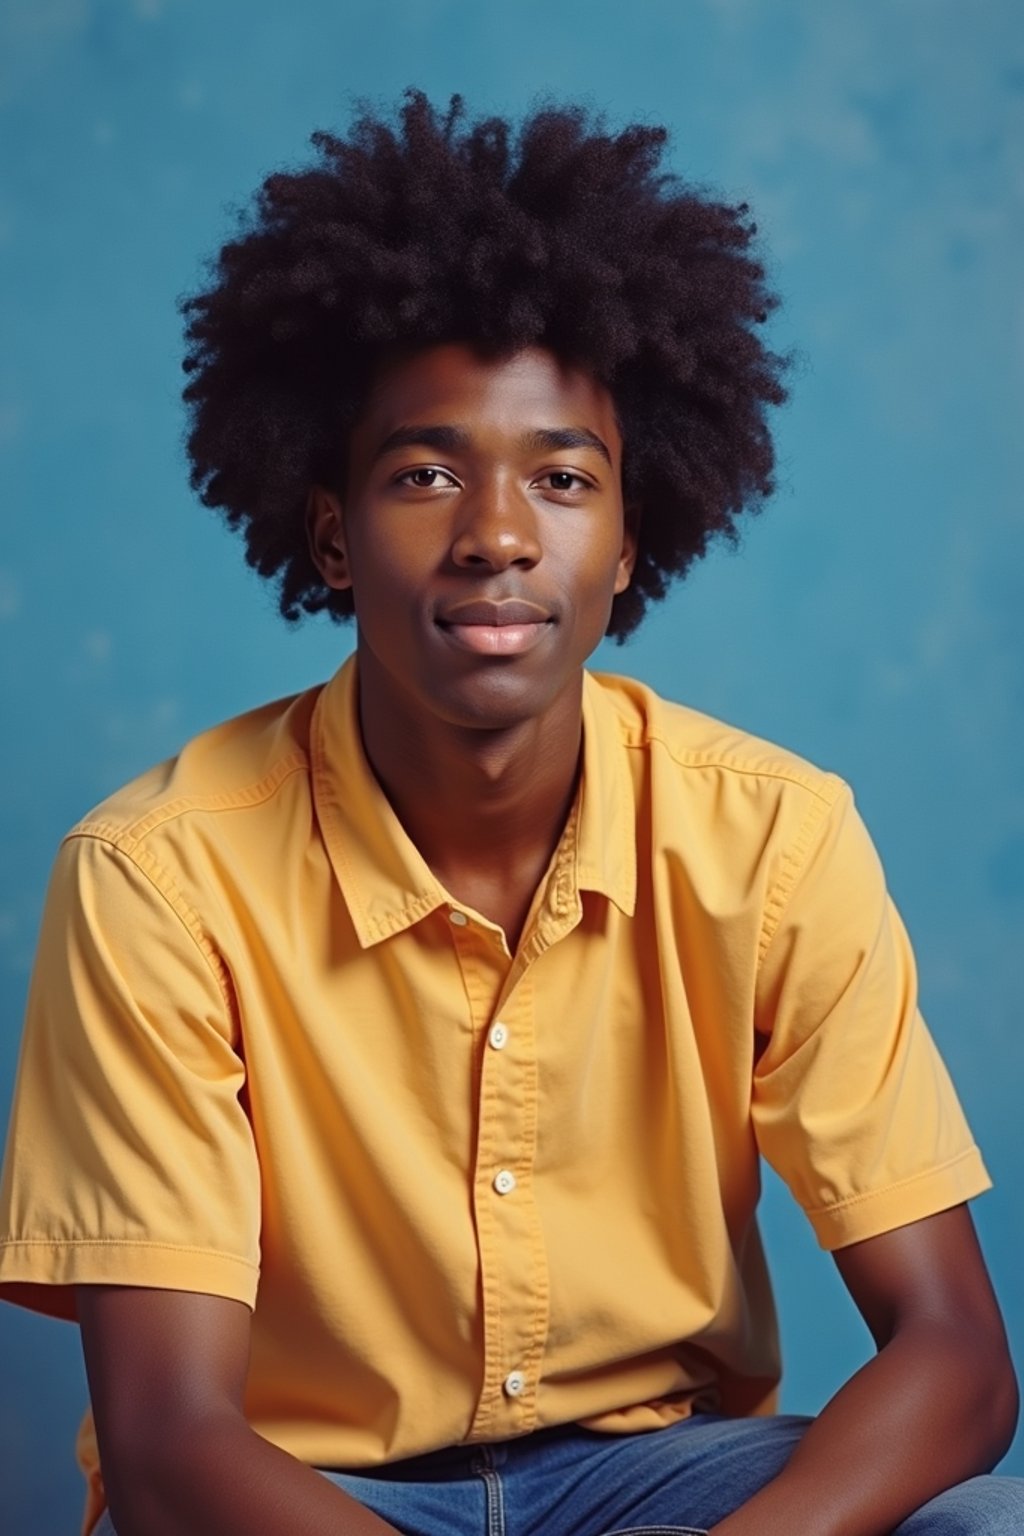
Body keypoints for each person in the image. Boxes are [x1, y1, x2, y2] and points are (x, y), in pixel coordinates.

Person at [0, 90, 1019, 1536]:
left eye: (561, 478)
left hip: (663, 1484)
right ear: (334, 537)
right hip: (300, 1492)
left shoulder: (773, 840)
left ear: (629, 536)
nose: (494, 533)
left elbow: (959, 1362)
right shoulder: (157, 876)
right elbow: (168, 1447)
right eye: (426, 475)